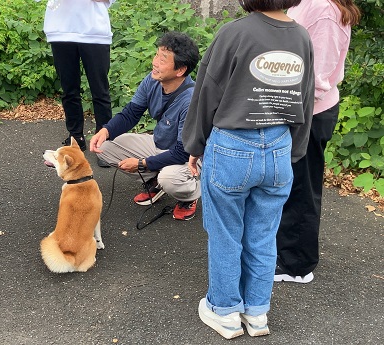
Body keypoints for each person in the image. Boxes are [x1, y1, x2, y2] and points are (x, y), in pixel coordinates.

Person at [182, 0, 314, 339]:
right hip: (279, 147)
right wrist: (295, 150)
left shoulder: (235, 32)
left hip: (232, 146)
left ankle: (224, 311)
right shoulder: (301, 37)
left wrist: (195, 145)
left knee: (226, 233)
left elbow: (206, 93)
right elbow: (305, 97)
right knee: (263, 234)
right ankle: (257, 313)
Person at [275, 0, 361, 284]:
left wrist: (286, 114)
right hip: (302, 109)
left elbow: (318, 78)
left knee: (302, 186)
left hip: (308, 112)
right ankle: (286, 252)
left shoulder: (323, 9)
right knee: (293, 183)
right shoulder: (312, 3)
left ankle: (297, 264)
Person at [90, 31, 201, 221]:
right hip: (159, 144)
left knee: (170, 178)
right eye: (156, 55)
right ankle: (154, 180)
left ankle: (190, 195)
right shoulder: (153, 79)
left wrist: (142, 164)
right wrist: (105, 130)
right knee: (105, 147)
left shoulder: (191, 100)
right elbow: (132, 113)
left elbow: (182, 152)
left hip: (189, 159)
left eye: (163, 59)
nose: (155, 62)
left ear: (180, 70)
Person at [43, 0, 115, 167]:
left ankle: (104, 143)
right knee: (69, 90)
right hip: (60, 31)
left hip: (95, 32)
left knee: (100, 90)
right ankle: (75, 138)